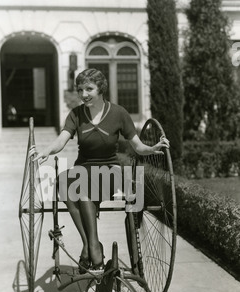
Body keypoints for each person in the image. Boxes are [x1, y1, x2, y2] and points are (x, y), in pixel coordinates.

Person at [30, 68, 169, 273]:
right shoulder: (76, 114)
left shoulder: (119, 113)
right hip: (83, 168)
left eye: (89, 89)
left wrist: (153, 148)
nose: (83, 94)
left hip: (111, 170)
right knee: (63, 182)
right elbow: (62, 139)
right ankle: (90, 246)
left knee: (82, 187)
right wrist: (47, 150)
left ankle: (92, 249)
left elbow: (138, 146)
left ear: (100, 89)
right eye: (80, 90)